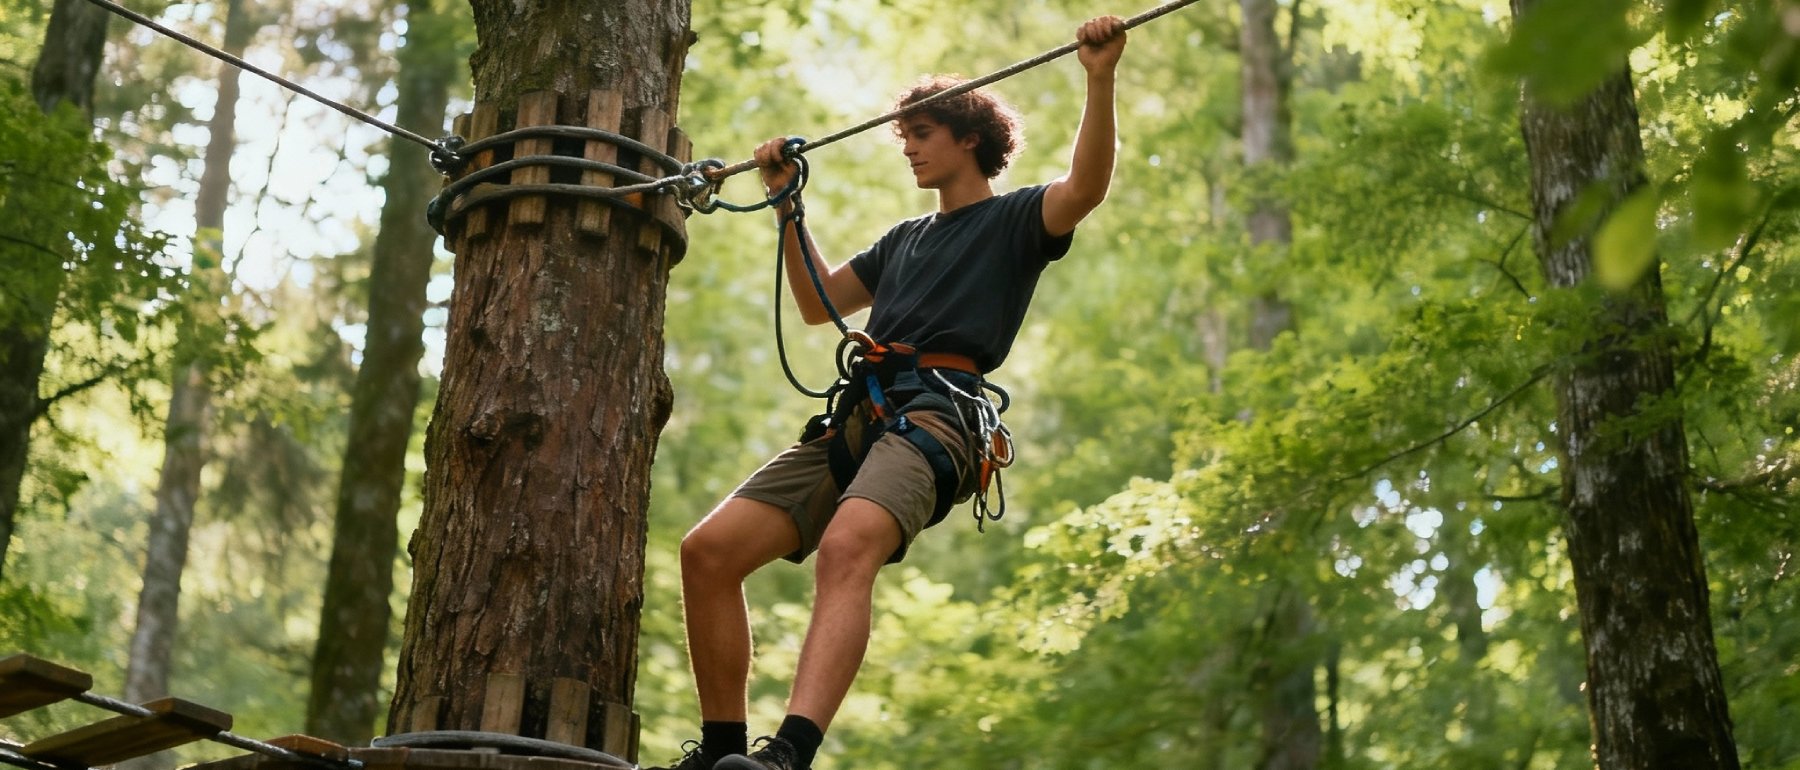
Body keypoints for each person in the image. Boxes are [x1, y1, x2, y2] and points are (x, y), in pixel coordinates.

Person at [649, 15, 1127, 770]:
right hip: (861, 417)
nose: (907, 147)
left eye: (921, 133)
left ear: (969, 137)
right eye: (904, 135)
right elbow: (818, 302)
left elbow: (1087, 187)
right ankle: (721, 753)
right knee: (708, 553)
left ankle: (789, 755)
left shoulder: (1014, 220)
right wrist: (786, 203)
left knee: (848, 545)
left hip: (939, 415)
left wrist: (1099, 78)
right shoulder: (904, 239)